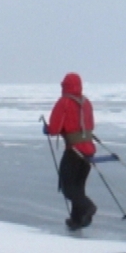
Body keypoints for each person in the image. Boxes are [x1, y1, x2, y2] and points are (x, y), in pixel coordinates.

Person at [43, 72, 98, 230]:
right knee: (78, 186)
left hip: (74, 150)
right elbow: (90, 126)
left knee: (68, 187)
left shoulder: (64, 102)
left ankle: (88, 207)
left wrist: (47, 129)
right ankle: (77, 220)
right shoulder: (86, 102)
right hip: (88, 151)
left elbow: (54, 129)